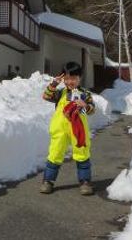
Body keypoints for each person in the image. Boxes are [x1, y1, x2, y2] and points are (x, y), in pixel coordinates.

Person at [40, 61, 95, 195]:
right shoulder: (60, 93)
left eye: (74, 78)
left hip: (78, 130)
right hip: (60, 130)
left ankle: (85, 182)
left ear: (79, 78)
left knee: (82, 154)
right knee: (55, 153)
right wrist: (54, 84)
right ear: (63, 79)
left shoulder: (85, 94)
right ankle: (48, 181)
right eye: (67, 78)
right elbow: (46, 96)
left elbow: (92, 110)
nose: (70, 81)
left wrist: (85, 106)